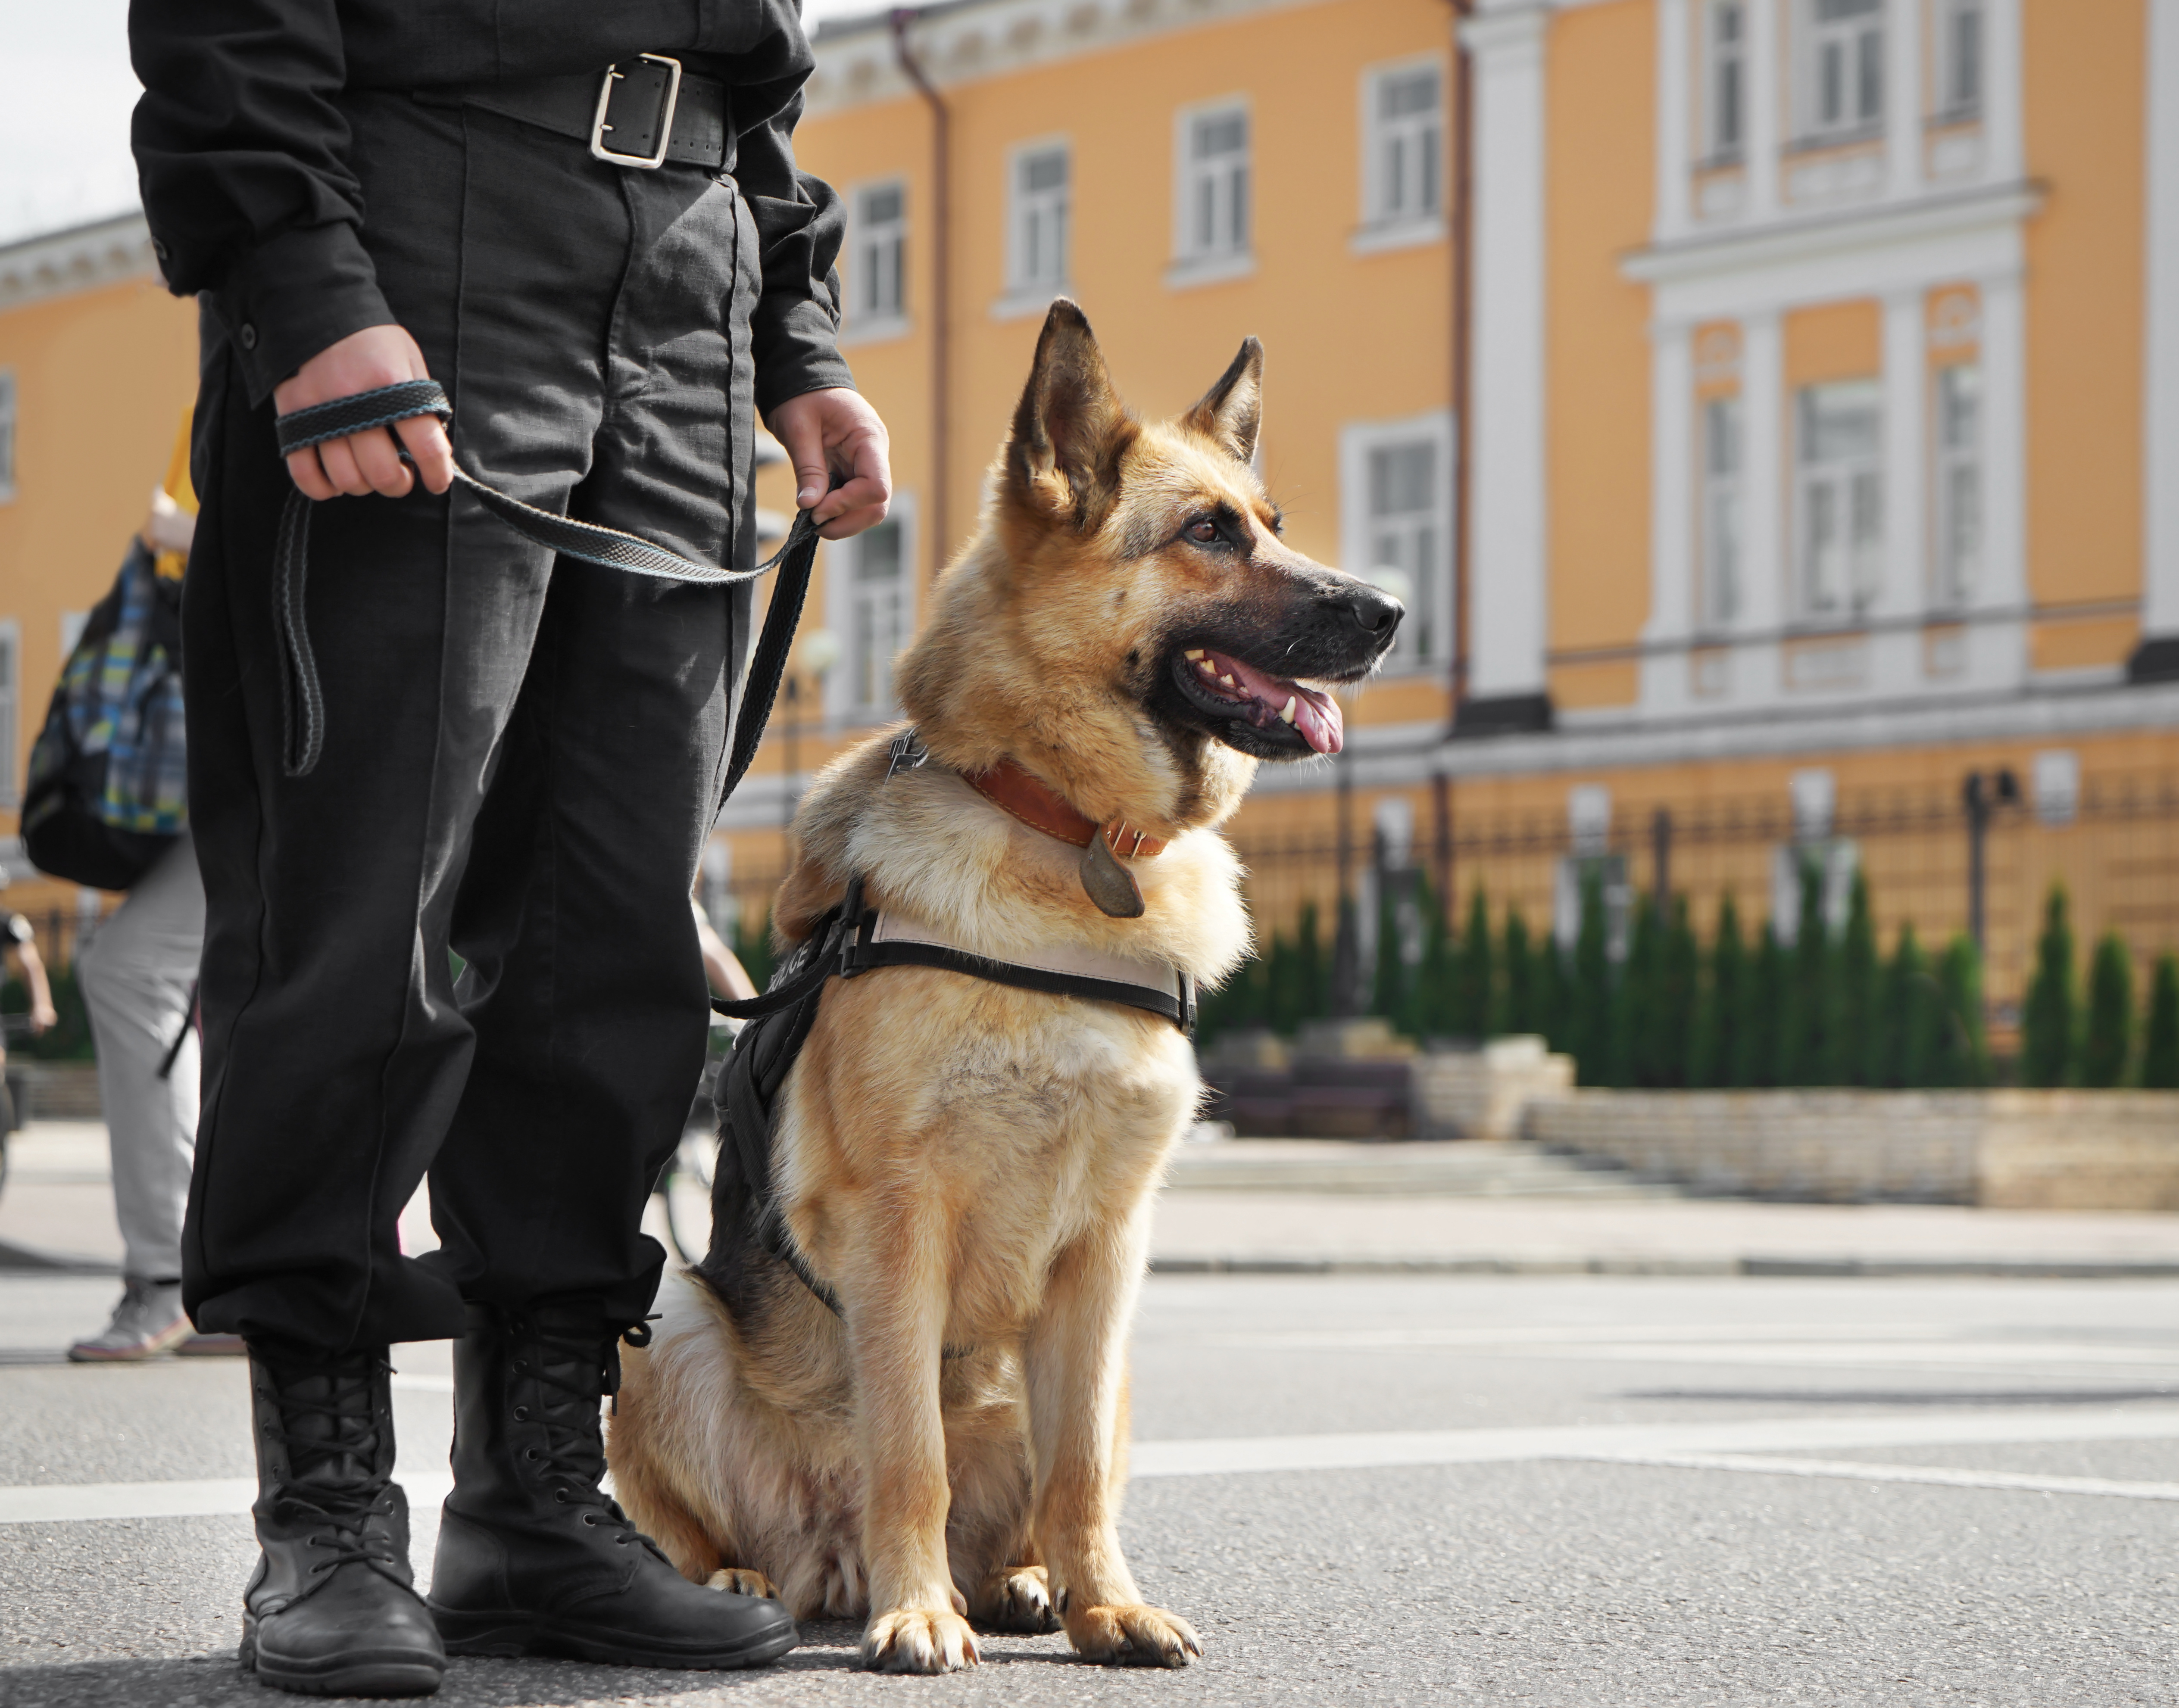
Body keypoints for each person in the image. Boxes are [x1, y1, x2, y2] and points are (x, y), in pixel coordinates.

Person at [131, 6, 890, 1695]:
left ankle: (533, 1502)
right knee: (364, 918)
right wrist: (303, 280)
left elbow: (754, 69)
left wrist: (795, 333)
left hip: (686, 277)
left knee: (613, 940)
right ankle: (327, 1513)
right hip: (419, 226)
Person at [67, 451, 222, 1365]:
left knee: (130, 969)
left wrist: (177, 533)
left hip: (288, 729)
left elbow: (318, 540)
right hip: (257, 727)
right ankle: (233, 1276)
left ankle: (174, 1274)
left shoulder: (285, 332)